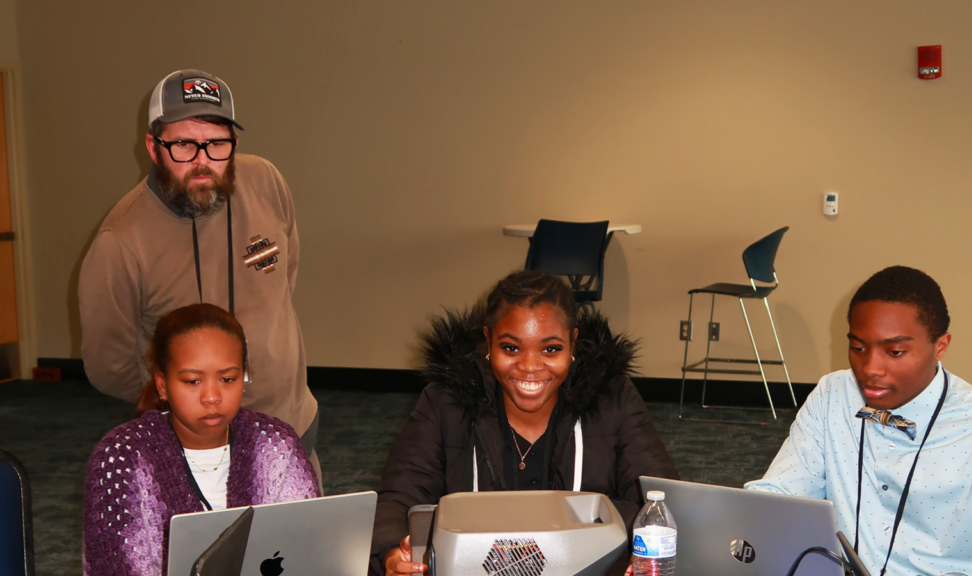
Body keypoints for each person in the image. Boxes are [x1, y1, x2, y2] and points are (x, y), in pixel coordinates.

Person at [78, 69, 321, 476]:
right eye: (184, 145)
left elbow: (284, 279)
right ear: (153, 148)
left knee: (304, 541)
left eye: (217, 144)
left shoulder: (266, 182)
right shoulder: (119, 241)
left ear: (234, 144)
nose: (203, 161)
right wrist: (186, 392)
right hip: (196, 456)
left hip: (292, 425)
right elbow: (108, 364)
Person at [371, 270, 679, 576]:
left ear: (572, 343)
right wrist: (392, 553)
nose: (530, 366)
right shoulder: (444, 402)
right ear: (488, 341)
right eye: (511, 348)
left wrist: (619, 547)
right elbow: (398, 498)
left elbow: (656, 502)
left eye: (551, 349)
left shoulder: (614, 398)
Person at [746, 266, 972, 576]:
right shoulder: (833, 395)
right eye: (858, 348)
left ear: (940, 347)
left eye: (894, 351)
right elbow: (778, 499)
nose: (870, 368)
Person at [82, 304, 319, 576]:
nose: (211, 397)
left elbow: (307, 549)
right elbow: (116, 567)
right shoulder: (122, 458)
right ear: (162, 384)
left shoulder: (276, 447)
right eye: (193, 381)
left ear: (244, 377)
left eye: (228, 379)